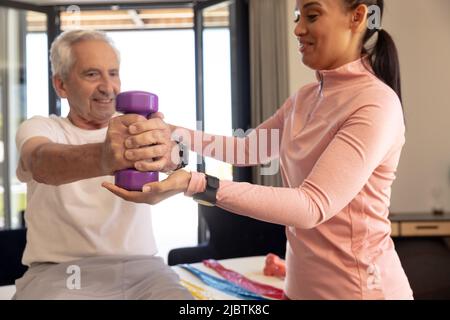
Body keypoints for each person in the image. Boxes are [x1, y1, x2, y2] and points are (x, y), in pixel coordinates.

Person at [103, 0, 413, 300]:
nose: (298, 29)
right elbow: (247, 149)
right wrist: (172, 133)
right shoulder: (304, 97)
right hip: (299, 288)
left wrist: (194, 183)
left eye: (312, 16)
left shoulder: (375, 104)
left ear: (358, 17)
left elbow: (311, 206)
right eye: (296, 17)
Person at [14, 29, 192, 300]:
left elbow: (179, 152)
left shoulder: (137, 130)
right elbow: (41, 162)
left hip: (142, 271)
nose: (108, 87)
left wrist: (173, 160)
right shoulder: (41, 127)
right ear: (61, 85)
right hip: (60, 273)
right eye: (92, 74)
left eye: (113, 73)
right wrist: (106, 157)